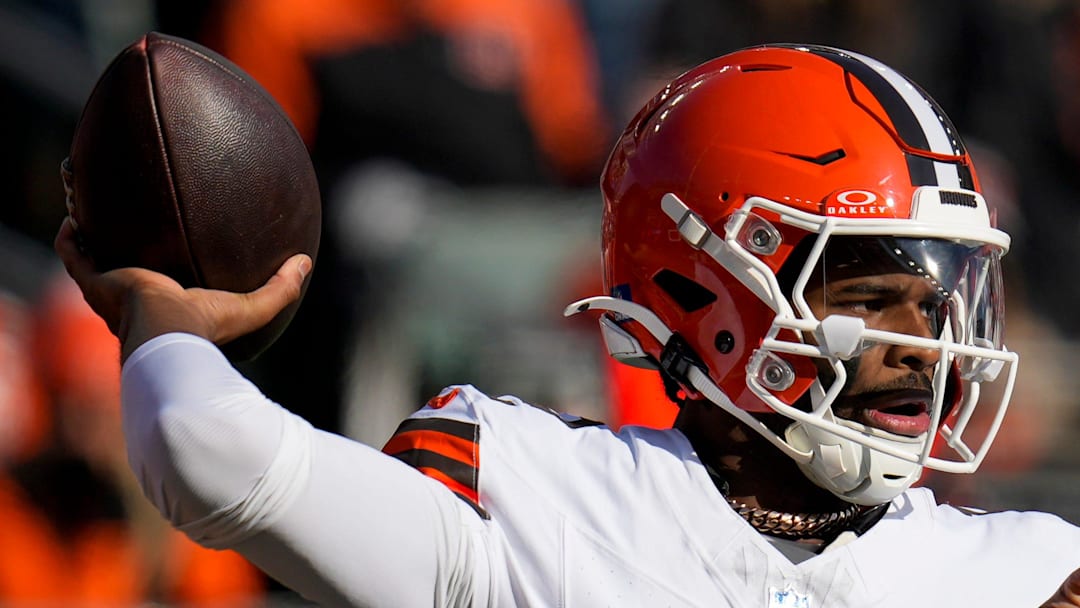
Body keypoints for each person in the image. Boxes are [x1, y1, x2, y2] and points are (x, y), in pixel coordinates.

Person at [55, 44, 1080, 607]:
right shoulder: (539, 498)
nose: (921, 341)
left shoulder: (1034, 570)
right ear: (697, 289)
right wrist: (165, 317)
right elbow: (210, 452)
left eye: (937, 299)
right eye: (863, 294)